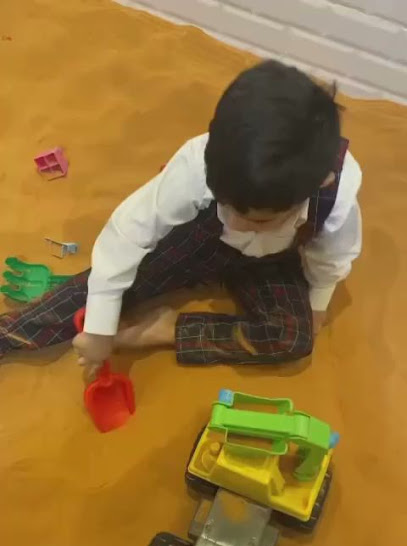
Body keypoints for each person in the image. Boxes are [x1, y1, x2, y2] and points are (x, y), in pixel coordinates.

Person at [0, 60, 361, 372]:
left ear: (320, 182)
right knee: (106, 285)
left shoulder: (335, 192)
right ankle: (8, 335)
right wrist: (98, 329)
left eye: (260, 220)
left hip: (271, 263)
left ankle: (166, 330)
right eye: (229, 206)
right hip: (199, 239)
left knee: (293, 338)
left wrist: (317, 306)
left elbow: (331, 257)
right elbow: (125, 237)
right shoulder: (197, 164)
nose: (239, 223)